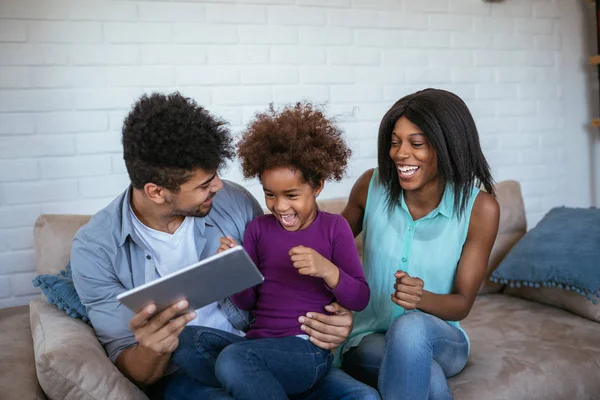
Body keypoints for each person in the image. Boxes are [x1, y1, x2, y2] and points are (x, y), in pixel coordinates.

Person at [70, 92, 379, 400]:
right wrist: (151, 350)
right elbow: (130, 366)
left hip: (272, 351)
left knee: (361, 397)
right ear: (156, 192)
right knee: (185, 343)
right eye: (205, 184)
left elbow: (271, 293)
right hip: (194, 367)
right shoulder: (95, 249)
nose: (218, 186)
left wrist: (340, 320)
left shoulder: (235, 202)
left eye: (215, 175)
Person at [178, 102, 370, 399]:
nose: (280, 206)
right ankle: (257, 386)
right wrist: (234, 269)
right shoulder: (258, 229)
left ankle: (247, 381)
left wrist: (328, 270)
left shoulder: (335, 228)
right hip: (256, 347)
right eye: (270, 194)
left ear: (317, 185)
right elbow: (247, 303)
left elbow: (359, 297)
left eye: (291, 195)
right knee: (184, 340)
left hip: (306, 350)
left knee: (234, 361)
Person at [339, 88, 501, 400]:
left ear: (447, 146)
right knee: (430, 380)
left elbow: (462, 303)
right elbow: (325, 242)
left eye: (416, 144)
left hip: (442, 340)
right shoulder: (370, 186)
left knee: (412, 328)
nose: (400, 154)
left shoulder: (480, 209)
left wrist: (420, 298)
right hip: (369, 338)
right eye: (395, 142)